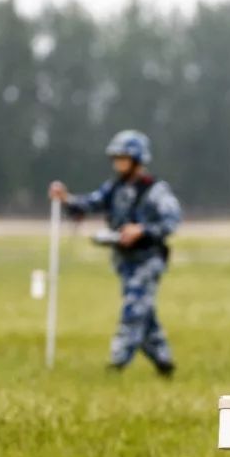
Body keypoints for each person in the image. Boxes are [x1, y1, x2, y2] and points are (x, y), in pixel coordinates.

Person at [50, 129, 181, 376]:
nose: (119, 163)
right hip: (124, 261)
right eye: (116, 158)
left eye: (124, 158)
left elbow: (172, 221)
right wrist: (66, 199)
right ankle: (164, 361)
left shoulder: (155, 190)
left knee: (133, 310)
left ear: (137, 160)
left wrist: (141, 230)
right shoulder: (114, 188)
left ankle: (116, 363)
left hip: (148, 260)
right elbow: (90, 203)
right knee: (144, 312)